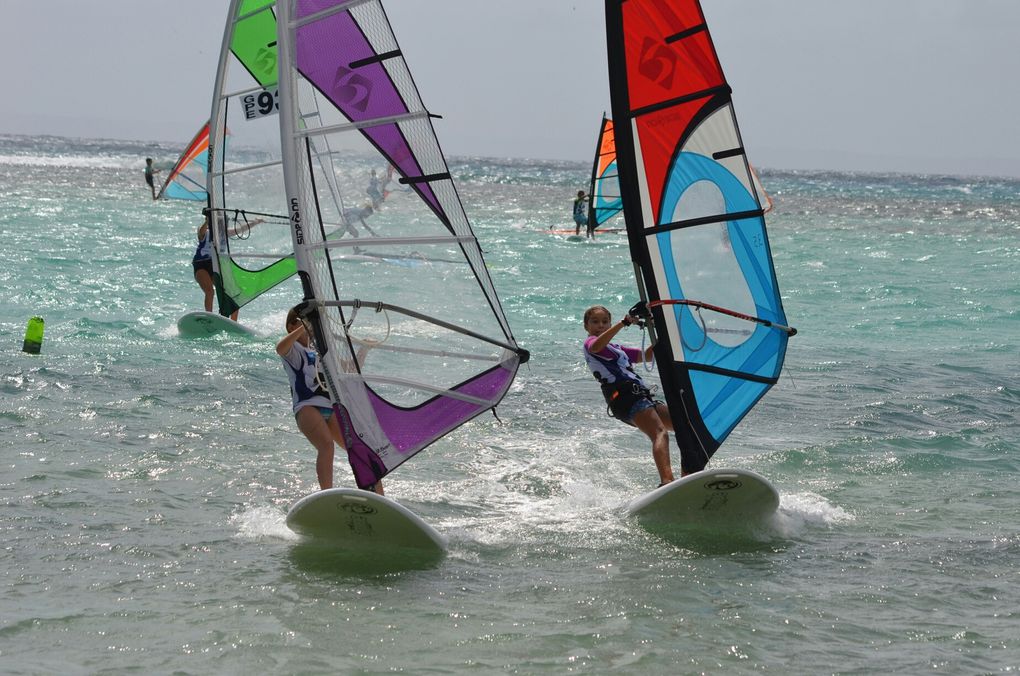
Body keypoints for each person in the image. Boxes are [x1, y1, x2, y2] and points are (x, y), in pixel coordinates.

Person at [277, 306, 384, 494]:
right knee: (326, 446)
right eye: (303, 322)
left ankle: (376, 494)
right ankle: (327, 494)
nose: (310, 327)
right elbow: (280, 348)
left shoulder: (320, 351)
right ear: (291, 326)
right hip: (307, 407)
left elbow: (351, 368)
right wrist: (306, 326)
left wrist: (364, 349)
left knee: (358, 449)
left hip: (329, 407)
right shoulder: (293, 350)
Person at [582, 304, 685, 487]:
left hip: (640, 395)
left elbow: (645, 356)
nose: (601, 325)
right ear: (586, 326)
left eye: (605, 322)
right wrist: (623, 323)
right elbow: (597, 347)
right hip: (625, 398)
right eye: (595, 322)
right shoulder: (590, 343)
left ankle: (689, 473)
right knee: (660, 432)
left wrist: (663, 334)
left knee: (684, 425)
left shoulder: (616, 349)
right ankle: (667, 481)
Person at [192, 212, 262, 319]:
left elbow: (241, 230)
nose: (223, 225)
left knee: (233, 293)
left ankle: (233, 322)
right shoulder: (206, 232)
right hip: (201, 265)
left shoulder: (224, 233)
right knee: (210, 291)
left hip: (216, 265)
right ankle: (209, 317)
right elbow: (200, 232)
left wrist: (255, 222)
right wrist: (207, 221)